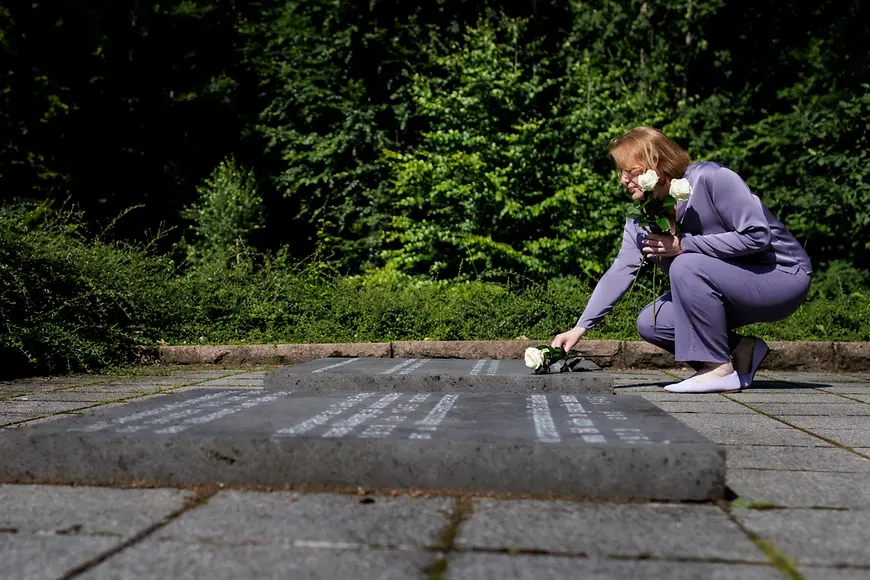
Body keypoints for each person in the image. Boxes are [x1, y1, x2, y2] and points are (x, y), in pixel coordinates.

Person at [551, 127, 812, 393]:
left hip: (782, 276)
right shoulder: (642, 217)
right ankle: (742, 349)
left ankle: (718, 369)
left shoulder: (713, 178)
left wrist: (683, 245)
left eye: (630, 171)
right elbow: (621, 270)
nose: (622, 179)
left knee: (686, 263)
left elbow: (757, 236)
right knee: (653, 322)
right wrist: (580, 327)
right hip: (730, 285)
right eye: (621, 172)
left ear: (656, 163)